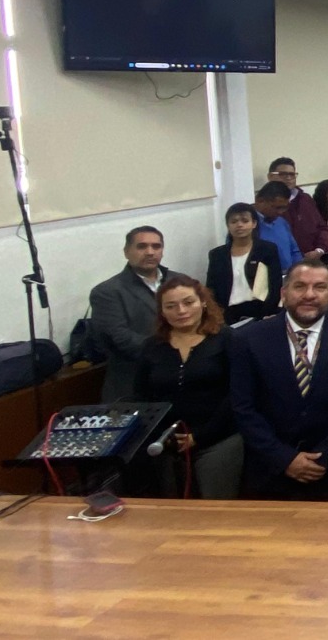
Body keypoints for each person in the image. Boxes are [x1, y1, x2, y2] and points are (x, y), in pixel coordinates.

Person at [231, 261, 328, 499]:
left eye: (319, 287)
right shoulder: (249, 338)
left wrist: (326, 456)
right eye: (300, 287)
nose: (309, 295)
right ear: (284, 294)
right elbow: (243, 407)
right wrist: (284, 458)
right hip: (270, 473)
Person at [134, 276, 242, 499]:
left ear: (202, 302)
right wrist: (162, 435)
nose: (180, 311)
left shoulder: (227, 338)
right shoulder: (152, 346)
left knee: (216, 506)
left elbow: (238, 394)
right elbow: (142, 396)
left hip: (219, 437)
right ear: (162, 311)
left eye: (188, 302)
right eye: (171, 306)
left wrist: (200, 436)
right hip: (165, 443)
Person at [92, 226, 184, 403]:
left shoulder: (180, 281)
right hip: (133, 386)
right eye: (142, 246)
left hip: (178, 382)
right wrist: (174, 351)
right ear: (127, 252)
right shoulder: (107, 292)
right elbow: (121, 339)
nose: (150, 252)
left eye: (156, 247)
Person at [205, 203, 282, 325]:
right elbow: (211, 288)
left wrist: (269, 313)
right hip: (228, 314)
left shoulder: (267, 250)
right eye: (234, 222)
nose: (239, 225)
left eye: (245, 221)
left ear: (254, 224)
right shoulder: (217, 255)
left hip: (260, 310)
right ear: (228, 226)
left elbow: (275, 284)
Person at [268, 157, 328, 264]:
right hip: (281, 265)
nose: (288, 178)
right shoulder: (265, 204)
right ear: (270, 176)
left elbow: (322, 227)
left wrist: (319, 250)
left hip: (312, 261)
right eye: (283, 174)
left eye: (292, 174)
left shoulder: (305, 199)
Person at [252, 182, 303, 273]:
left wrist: (298, 271)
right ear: (260, 201)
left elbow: (295, 251)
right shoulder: (246, 226)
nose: (281, 212)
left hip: (289, 276)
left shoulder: (281, 222)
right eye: (277, 207)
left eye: (284, 207)